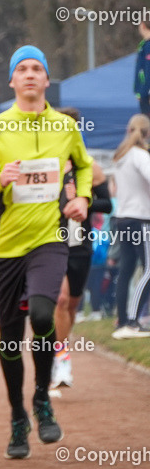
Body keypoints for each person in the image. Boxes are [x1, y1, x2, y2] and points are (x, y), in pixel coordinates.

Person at [0, 45, 91, 459]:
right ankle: (18, 415)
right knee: (10, 339)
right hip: (4, 247)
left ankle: (41, 398)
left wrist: (82, 198)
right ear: (12, 81)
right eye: (22, 69)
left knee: (42, 314)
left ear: (46, 79)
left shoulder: (65, 127)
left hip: (49, 240)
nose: (30, 74)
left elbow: (84, 165)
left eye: (37, 68)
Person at [52, 108, 112, 389]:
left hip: (80, 244)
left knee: (73, 304)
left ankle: (60, 345)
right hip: (53, 242)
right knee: (61, 300)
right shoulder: (48, 165)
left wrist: (83, 201)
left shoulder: (89, 167)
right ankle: (61, 359)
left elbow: (107, 204)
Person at [108, 113, 150, 339]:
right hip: (140, 218)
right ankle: (133, 322)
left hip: (122, 218)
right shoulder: (140, 155)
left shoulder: (121, 156)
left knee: (126, 270)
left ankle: (122, 320)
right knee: (148, 269)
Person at [136, 20, 150, 116]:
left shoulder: (148, 45)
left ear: (143, 25)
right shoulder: (144, 45)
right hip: (144, 92)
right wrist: (139, 91)